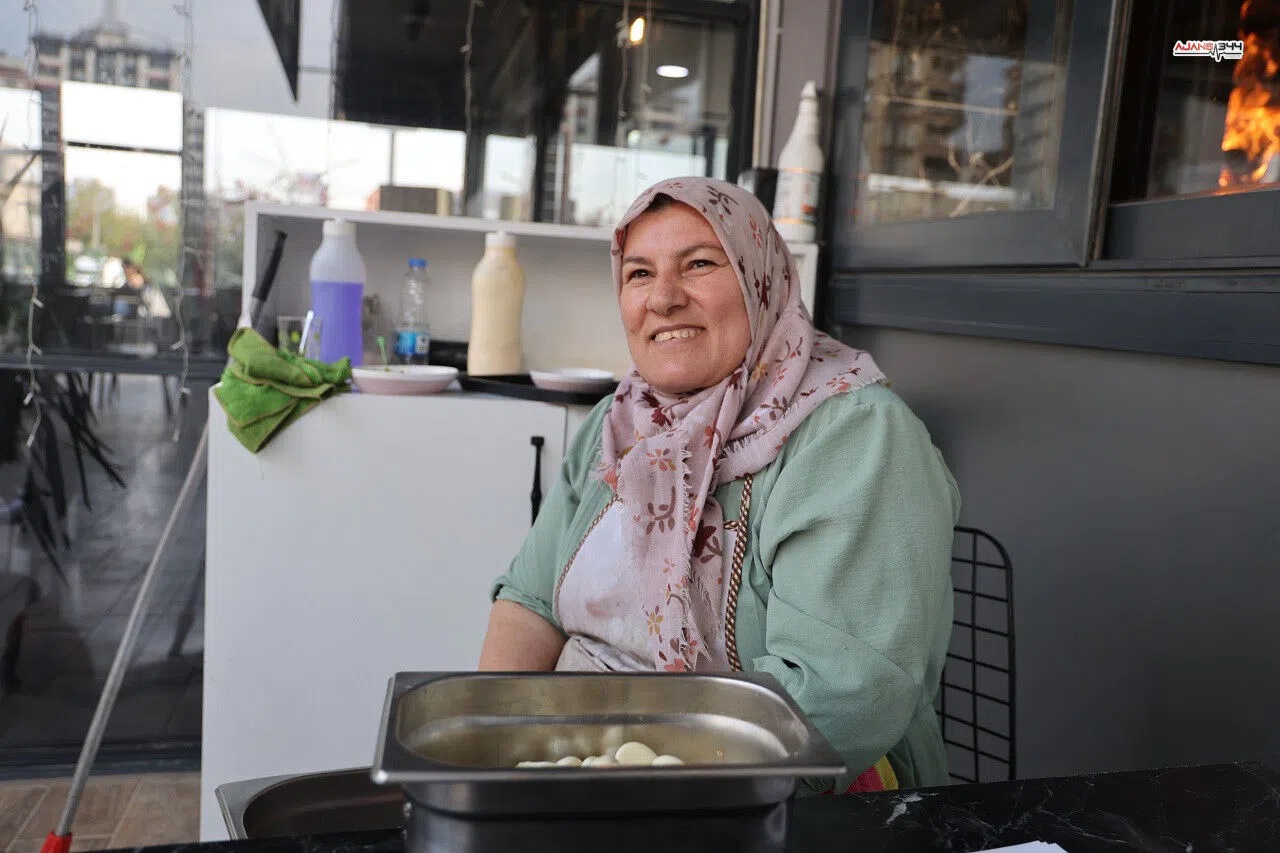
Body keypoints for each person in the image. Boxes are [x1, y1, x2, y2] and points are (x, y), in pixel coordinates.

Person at [478, 177, 960, 793]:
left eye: (700, 264)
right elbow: (529, 603)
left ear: (762, 279)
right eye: (638, 273)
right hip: (585, 766)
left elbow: (844, 697)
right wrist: (494, 753)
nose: (664, 298)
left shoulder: (855, 435)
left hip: (773, 790)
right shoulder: (619, 421)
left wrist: (636, 782)